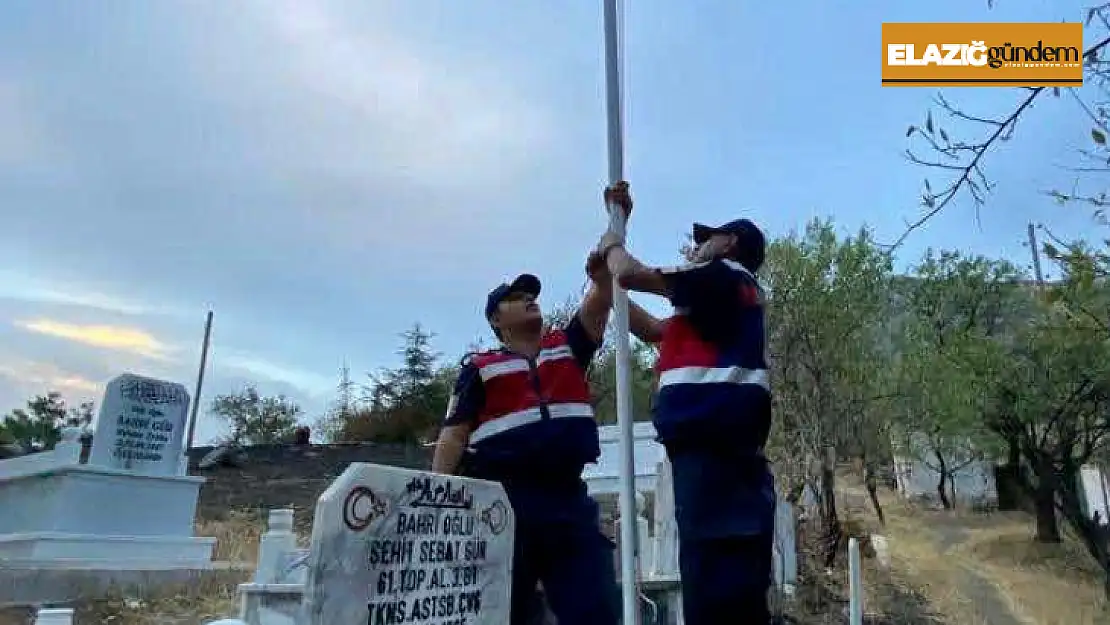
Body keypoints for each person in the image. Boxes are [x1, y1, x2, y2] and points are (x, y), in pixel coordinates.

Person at [430, 188, 657, 625]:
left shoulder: (566, 349)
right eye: (516, 297)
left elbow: (600, 295)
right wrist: (433, 501)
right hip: (502, 506)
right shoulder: (480, 368)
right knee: (506, 613)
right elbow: (454, 434)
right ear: (496, 319)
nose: (529, 298)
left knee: (595, 609)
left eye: (531, 294)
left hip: (567, 501)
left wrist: (616, 222)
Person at [594, 181, 775, 625]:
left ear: (730, 243)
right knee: (725, 580)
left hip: (713, 452)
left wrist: (612, 240)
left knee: (715, 585)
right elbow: (654, 330)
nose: (697, 247)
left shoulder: (722, 277)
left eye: (706, 238)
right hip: (720, 455)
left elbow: (632, 273)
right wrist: (605, 287)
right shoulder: (721, 301)